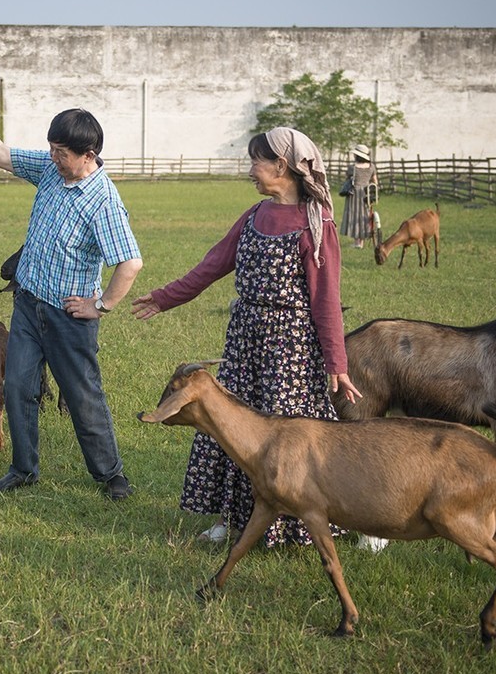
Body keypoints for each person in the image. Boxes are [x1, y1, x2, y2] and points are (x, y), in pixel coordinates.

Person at [131, 127, 361, 544]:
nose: (250, 170)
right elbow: (211, 266)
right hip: (244, 340)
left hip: (289, 348)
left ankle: (294, 525)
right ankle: (230, 518)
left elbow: (326, 300)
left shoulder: (318, 225)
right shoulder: (255, 215)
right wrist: (165, 298)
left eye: (257, 160)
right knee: (230, 426)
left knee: (289, 436)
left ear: (282, 166)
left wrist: (337, 365)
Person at [0, 102, 143, 501]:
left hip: (68, 319)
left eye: (63, 153)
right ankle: (23, 468)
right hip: (28, 304)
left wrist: (101, 305)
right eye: (52, 149)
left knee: (81, 395)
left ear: (88, 156)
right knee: (19, 387)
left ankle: (111, 475)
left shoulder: (103, 201)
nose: (54, 158)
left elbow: (130, 262)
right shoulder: (50, 170)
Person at [340, 143, 378, 249]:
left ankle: (357, 242)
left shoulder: (352, 168)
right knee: (365, 215)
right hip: (366, 194)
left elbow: (347, 179)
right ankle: (362, 241)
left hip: (354, 194)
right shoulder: (372, 167)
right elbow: (375, 182)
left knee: (354, 215)